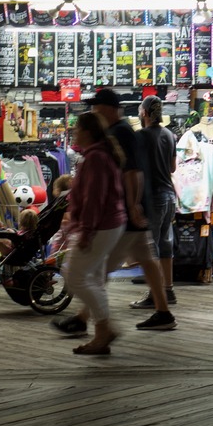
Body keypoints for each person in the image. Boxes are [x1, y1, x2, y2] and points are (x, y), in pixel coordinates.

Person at [79, 88, 175, 332]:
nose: (93, 110)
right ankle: (163, 310)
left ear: (110, 108)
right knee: (147, 257)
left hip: (129, 208)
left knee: (102, 264)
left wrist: (132, 204)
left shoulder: (121, 131)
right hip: (139, 205)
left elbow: (132, 170)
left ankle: (87, 319)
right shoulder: (149, 133)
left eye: (96, 106)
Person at [59, 110, 127, 355]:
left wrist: (85, 231)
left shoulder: (96, 158)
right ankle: (101, 334)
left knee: (74, 276)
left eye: (77, 128)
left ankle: (105, 328)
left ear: (87, 132)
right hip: (109, 224)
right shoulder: (97, 155)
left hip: (101, 226)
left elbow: (94, 199)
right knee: (93, 280)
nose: (74, 131)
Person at [135, 94, 179, 317]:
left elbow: (135, 171)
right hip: (170, 195)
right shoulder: (170, 135)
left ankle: (155, 294)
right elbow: (172, 168)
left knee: (149, 247)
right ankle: (168, 290)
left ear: (143, 113)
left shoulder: (141, 136)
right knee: (165, 243)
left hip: (153, 197)